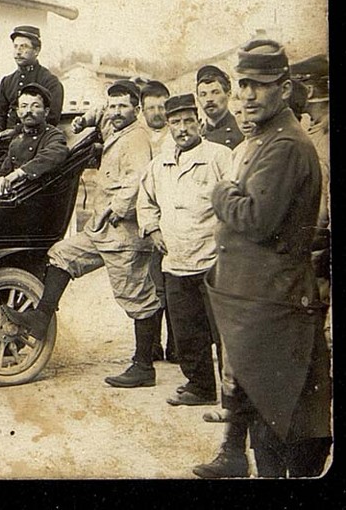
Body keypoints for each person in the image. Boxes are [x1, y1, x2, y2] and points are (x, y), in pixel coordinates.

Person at [195, 39, 330, 478]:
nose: (248, 95)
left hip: (276, 304)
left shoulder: (286, 145)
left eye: (262, 85)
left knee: (283, 431)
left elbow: (256, 218)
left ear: (286, 88)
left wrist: (220, 190)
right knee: (267, 425)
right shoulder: (268, 138)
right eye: (244, 85)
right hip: (259, 303)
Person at [4, 80, 159, 388]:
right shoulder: (114, 125)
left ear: (136, 110)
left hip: (123, 232)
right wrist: (84, 119)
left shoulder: (137, 139)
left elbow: (138, 181)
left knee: (137, 297)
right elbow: (100, 111)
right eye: (112, 105)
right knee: (61, 255)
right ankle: (40, 318)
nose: (115, 111)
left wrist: (113, 209)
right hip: (100, 233)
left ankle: (144, 366)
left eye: (123, 106)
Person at [136, 94, 232, 407]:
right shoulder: (159, 164)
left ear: (199, 123)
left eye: (188, 121)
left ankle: (235, 397)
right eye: (175, 122)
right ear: (168, 126)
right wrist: (152, 229)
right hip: (175, 261)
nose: (182, 128)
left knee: (224, 333)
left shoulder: (219, 157)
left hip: (214, 261)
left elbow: (235, 199)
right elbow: (145, 201)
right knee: (187, 332)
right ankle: (201, 387)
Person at [137, 79, 174, 362]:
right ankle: (152, 345)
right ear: (142, 109)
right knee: (150, 284)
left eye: (162, 106)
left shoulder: (176, 137)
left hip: (172, 216)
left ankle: (177, 344)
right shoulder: (138, 137)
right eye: (151, 107)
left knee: (175, 283)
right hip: (146, 218)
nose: (157, 112)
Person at [0, 26, 65, 143]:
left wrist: (17, 131)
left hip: (36, 141)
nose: (18, 52)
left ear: (37, 50)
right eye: (15, 47)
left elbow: (51, 118)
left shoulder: (50, 82)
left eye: (24, 47)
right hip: (5, 141)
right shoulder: (7, 81)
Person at [0, 83, 68, 195]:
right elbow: (3, 173)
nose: (28, 111)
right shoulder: (16, 140)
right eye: (24, 106)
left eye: (35, 106)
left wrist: (20, 172)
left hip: (39, 199)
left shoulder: (53, 136)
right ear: (18, 112)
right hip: (17, 198)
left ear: (46, 112)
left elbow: (56, 153)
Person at [196, 65, 244, 150]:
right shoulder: (198, 135)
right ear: (198, 99)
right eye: (203, 95)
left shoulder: (242, 128)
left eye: (215, 92)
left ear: (228, 94)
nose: (209, 99)